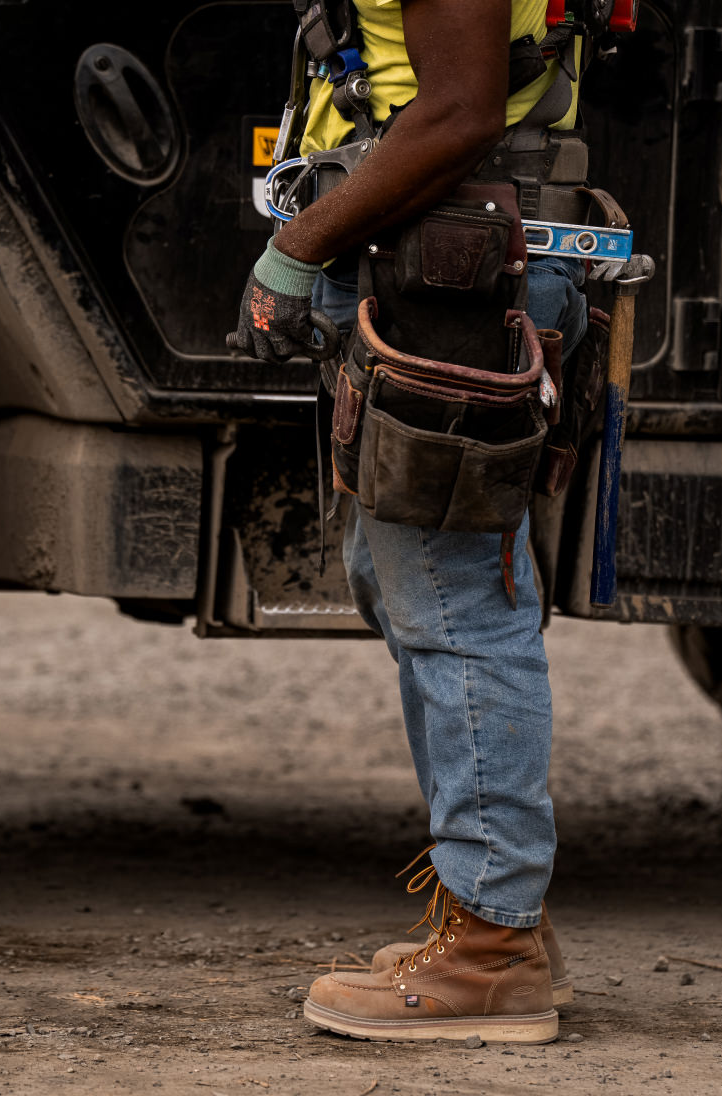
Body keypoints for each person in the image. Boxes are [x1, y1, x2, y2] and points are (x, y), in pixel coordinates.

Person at [231, 0, 593, 1044]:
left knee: (452, 595)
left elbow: (459, 110)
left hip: (453, 263)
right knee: (409, 582)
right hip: (439, 253)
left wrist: (296, 249)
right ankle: (494, 913)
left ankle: (493, 950)